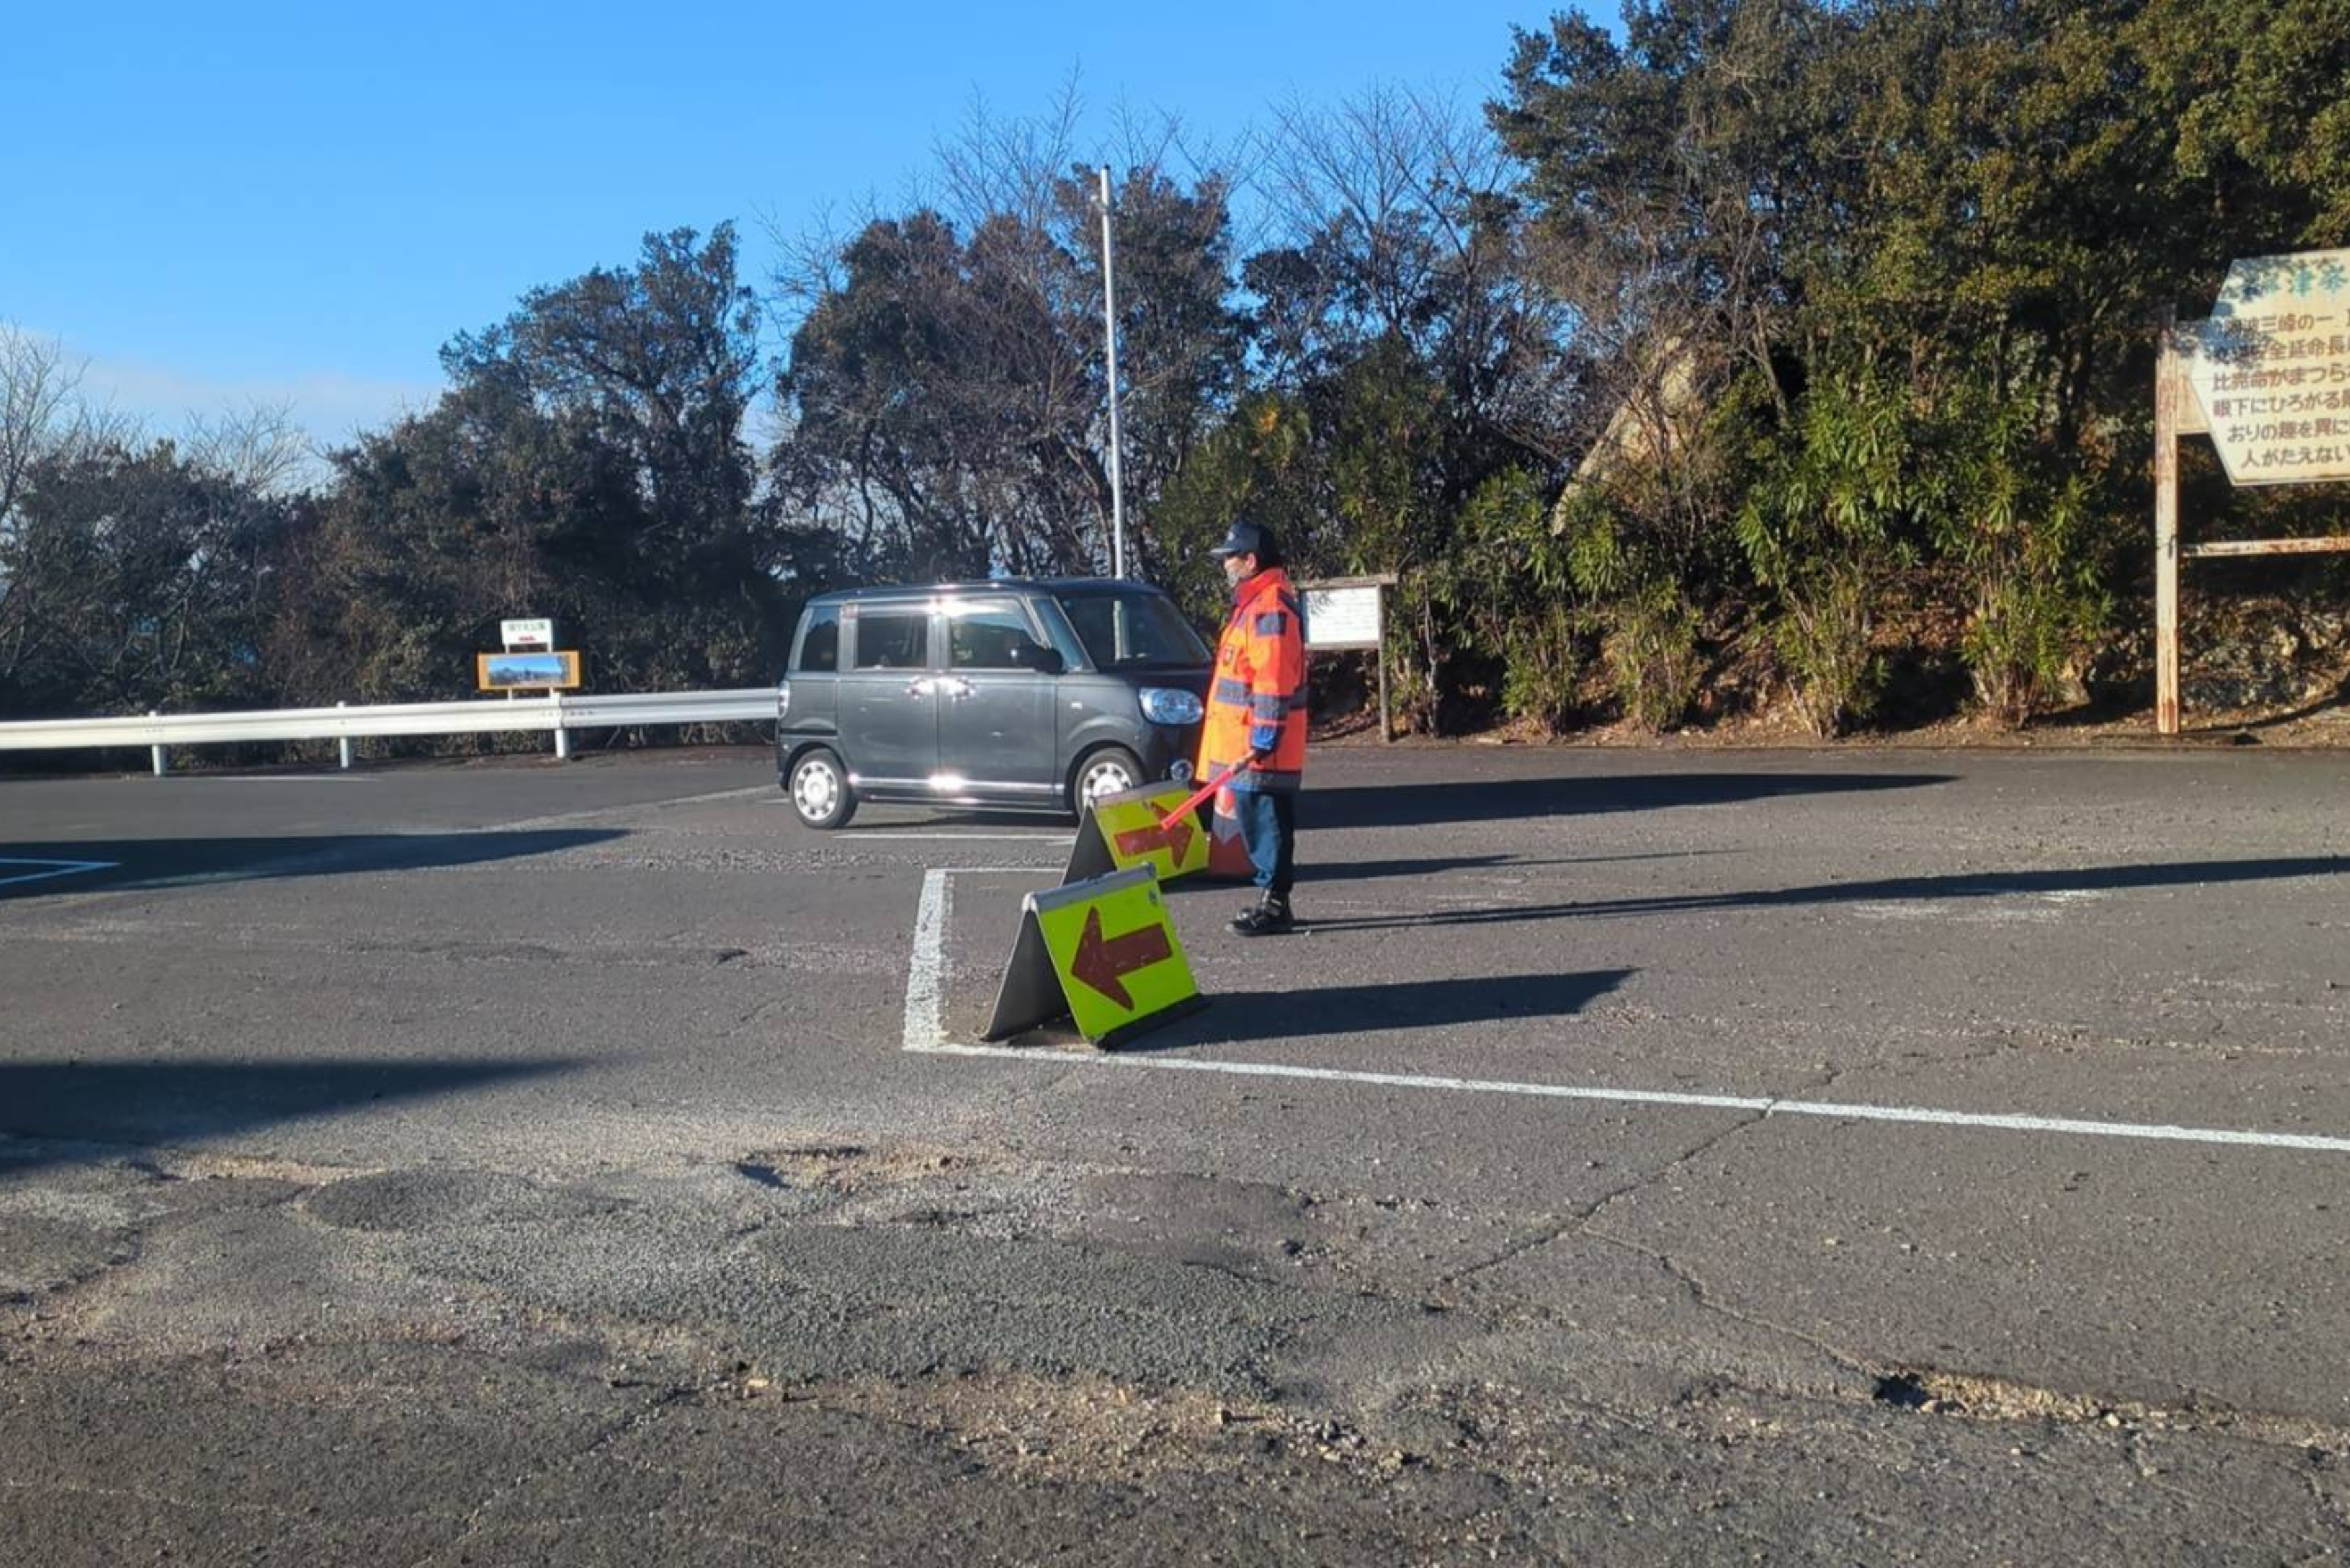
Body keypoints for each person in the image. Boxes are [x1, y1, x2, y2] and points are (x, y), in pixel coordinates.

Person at [1198, 520, 1307, 935]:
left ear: (1251, 560)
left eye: (1231, 557)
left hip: (1261, 745)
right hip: (1248, 742)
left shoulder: (1269, 608)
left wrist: (1264, 734)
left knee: (1269, 823)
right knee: (1261, 820)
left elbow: (1272, 677)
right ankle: (1272, 900)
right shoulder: (1254, 603)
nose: (1225, 564)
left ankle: (1275, 904)